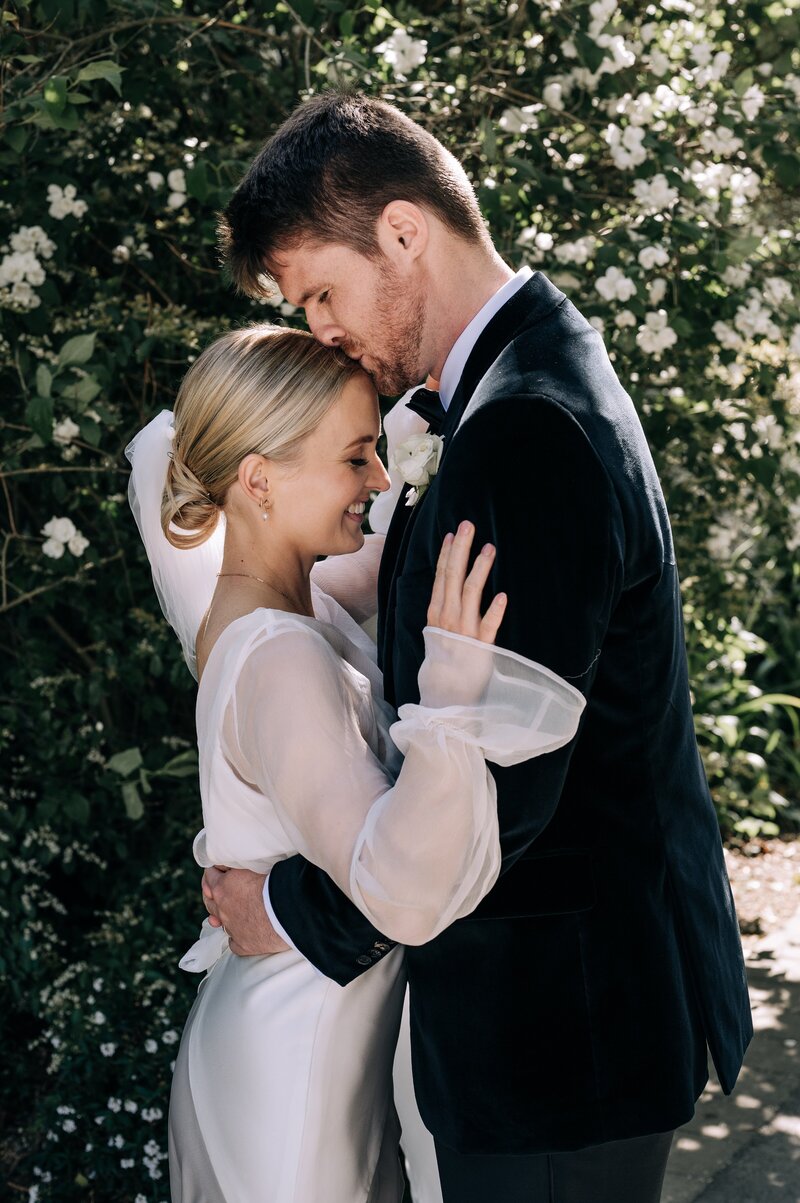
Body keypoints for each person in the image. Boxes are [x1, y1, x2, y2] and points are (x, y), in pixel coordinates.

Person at [207, 91, 754, 1202]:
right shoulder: (524, 377)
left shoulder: (521, 428)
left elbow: (504, 787)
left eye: (322, 290)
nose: (319, 332)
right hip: (573, 1014)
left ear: (403, 232)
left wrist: (288, 911)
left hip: (560, 1036)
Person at [125, 323, 586, 1202]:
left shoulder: (272, 597)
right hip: (297, 1067)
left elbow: (376, 563)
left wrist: (429, 429)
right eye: (355, 459)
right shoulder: (280, 658)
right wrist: (452, 697)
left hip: (310, 1035)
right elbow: (391, 882)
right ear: (258, 481)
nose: (379, 479)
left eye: (380, 453)